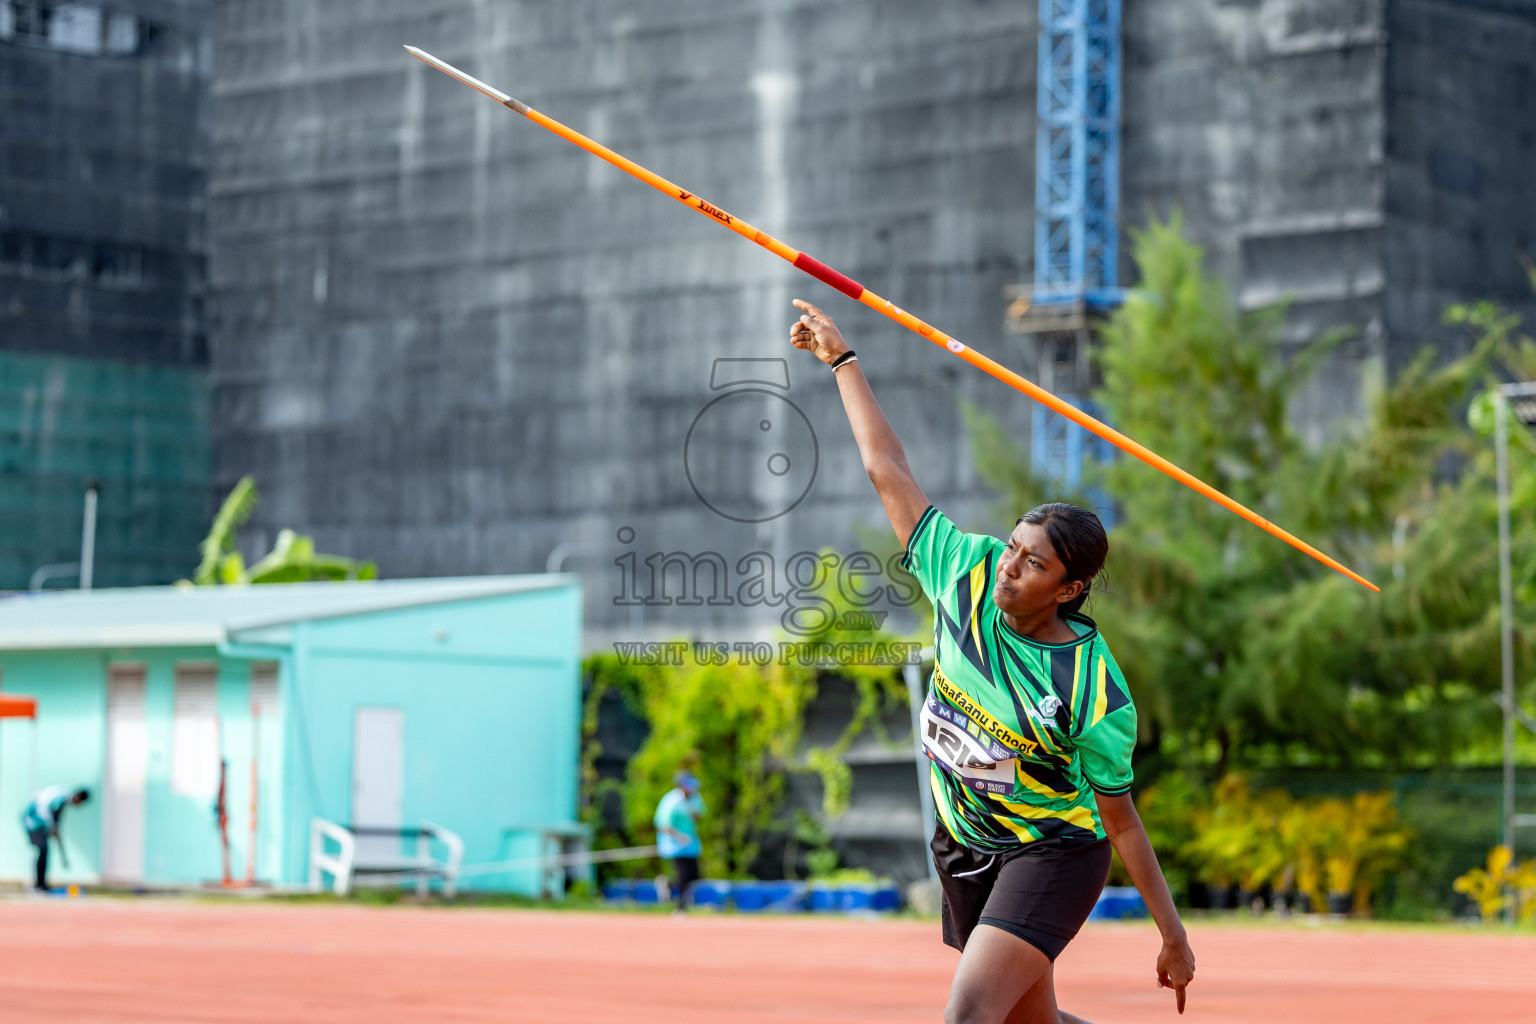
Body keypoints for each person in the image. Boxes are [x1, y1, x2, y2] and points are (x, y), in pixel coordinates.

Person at [789, 299, 1195, 1023]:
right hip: (964, 841)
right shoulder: (965, 573)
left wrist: (1172, 936)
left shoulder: (1092, 689)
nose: (1009, 567)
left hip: (1053, 853)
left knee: (969, 1015)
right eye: (1012, 548)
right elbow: (889, 471)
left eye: (1032, 564)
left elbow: (1123, 821)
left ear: (1068, 589)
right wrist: (843, 362)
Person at [21, 785, 90, 893]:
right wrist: (52, 826)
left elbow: (56, 820)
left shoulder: (65, 798)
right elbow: (44, 810)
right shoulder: (62, 799)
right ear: (78, 798)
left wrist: (54, 827)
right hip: (32, 819)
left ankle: (41, 883)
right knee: (42, 847)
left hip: (40, 822)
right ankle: (39, 885)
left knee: (44, 850)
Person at [653, 769, 705, 910]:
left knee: (694, 875)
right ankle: (681, 907)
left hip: (691, 844)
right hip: (673, 845)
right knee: (683, 875)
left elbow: (699, 816)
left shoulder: (696, 798)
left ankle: (668, 885)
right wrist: (679, 837)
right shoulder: (671, 801)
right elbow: (662, 825)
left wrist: (694, 814)